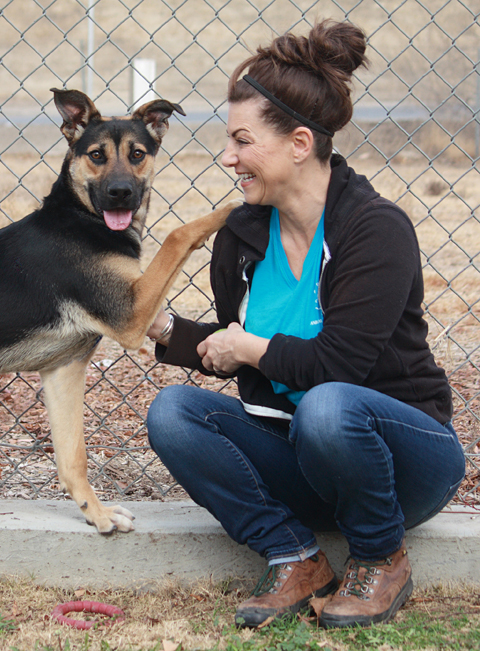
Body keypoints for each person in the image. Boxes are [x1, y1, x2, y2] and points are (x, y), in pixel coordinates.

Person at [145, 20, 465, 629]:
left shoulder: (374, 229)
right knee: (174, 413)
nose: (228, 157)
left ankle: (380, 557)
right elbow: (242, 347)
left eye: (242, 141)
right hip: (302, 454)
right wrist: (160, 327)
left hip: (403, 464)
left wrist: (248, 347)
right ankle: (293, 557)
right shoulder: (242, 237)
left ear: (298, 143)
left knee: (328, 404)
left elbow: (334, 365)